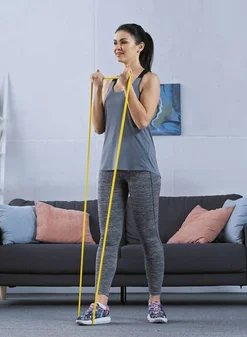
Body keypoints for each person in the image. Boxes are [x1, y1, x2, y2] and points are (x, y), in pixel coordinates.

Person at [76, 23, 166, 325]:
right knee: (108, 240)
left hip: (142, 168)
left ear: (139, 46)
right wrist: (97, 90)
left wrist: (128, 86)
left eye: (123, 42)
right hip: (109, 168)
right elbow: (100, 127)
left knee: (149, 237)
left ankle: (155, 303)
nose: (117, 47)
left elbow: (142, 121)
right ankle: (100, 305)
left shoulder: (148, 79)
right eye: (115, 42)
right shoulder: (112, 82)